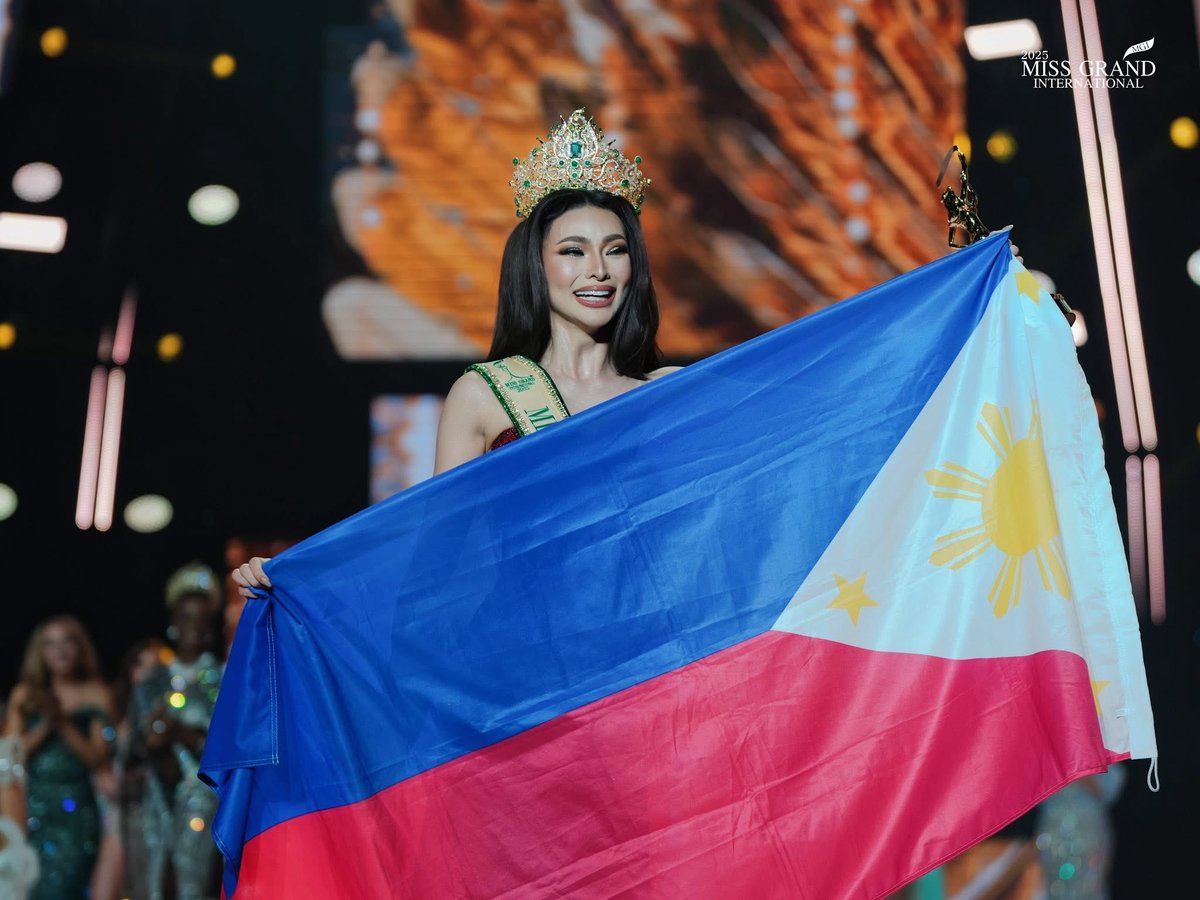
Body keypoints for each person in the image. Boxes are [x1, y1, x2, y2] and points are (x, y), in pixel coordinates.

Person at [234, 108, 681, 597]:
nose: (598, 269)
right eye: (572, 251)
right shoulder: (484, 394)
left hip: (651, 628)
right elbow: (438, 549)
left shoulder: (670, 393)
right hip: (529, 630)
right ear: (535, 265)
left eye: (616, 250)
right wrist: (306, 576)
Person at [122, 564, 223, 900]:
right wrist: (152, 741)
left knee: (195, 880)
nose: (194, 626)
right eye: (186, 617)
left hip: (203, 797)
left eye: (202, 618)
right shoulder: (152, 681)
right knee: (153, 880)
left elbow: (227, 749)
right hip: (154, 796)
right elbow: (133, 746)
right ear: (173, 621)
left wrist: (180, 732)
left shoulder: (223, 678)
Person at [1, 616, 113, 900]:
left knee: (70, 886)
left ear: (80, 647)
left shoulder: (98, 694)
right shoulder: (25, 695)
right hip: (34, 809)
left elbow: (97, 759)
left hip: (78, 812)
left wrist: (63, 723)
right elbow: (10, 754)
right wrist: (45, 726)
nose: (60, 651)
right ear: (39, 652)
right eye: (50, 644)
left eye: (67, 641)